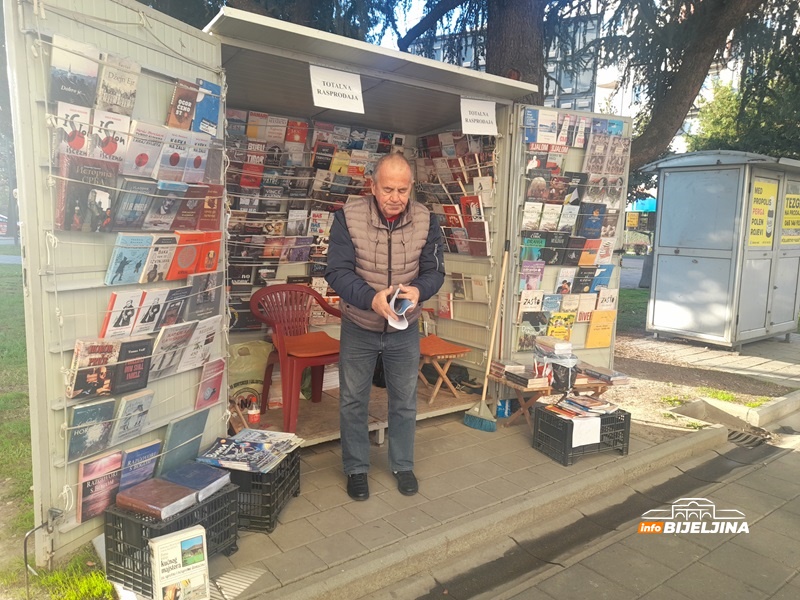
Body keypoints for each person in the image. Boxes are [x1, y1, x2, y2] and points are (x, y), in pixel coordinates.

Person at [325, 153, 445, 501]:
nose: (395, 198)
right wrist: (370, 298)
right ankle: (356, 468)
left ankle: (402, 464)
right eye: (388, 189)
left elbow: (435, 270)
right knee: (352, 400)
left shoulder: (426, 219)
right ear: (373, 186)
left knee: (405, 400)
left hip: (404, 327)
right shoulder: (347, 217)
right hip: (360, 323)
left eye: (403, 190)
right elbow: (337, 271)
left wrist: (419, 289)